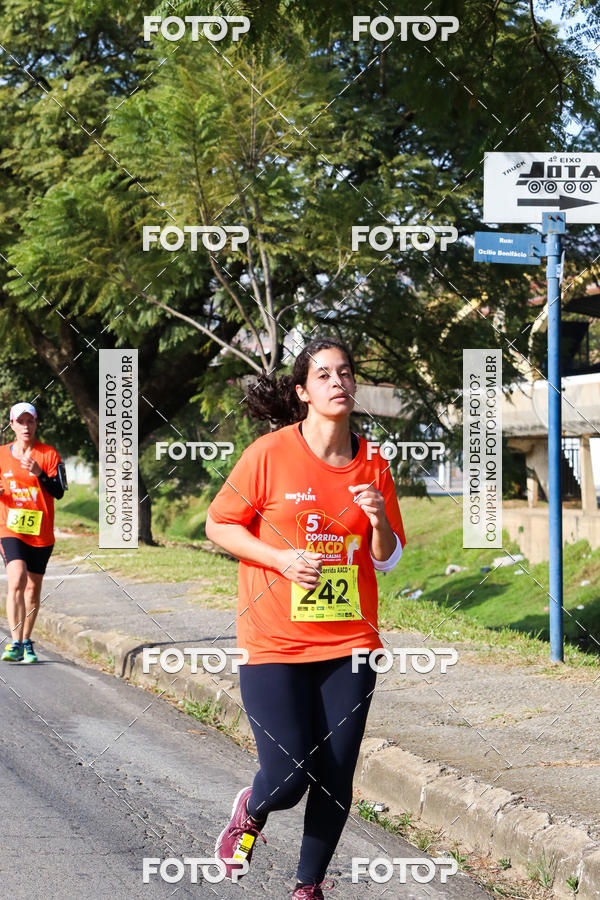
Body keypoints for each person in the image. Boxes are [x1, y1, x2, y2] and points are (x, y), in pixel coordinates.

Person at [206, 338, 406, 899]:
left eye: (346, 372)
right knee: (289, 776)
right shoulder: (269, 454)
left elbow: (387, 558)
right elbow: (219, 525)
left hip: (350, 641)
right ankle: (252, 808)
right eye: (323, 375)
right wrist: (281, 560)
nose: (338, 381)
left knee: (336, 773)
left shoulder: (374, 464)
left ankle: (307, 887)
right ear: (302, 392)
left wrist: (378, 521)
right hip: (274, 640)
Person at [0, 402, 67, 663]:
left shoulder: (48, 454)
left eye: (30, 421)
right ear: (12, 425)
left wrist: (39, 473)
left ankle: (27, 640)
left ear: (36, 423)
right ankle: (15, 642)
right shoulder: (1, 455)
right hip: (10, 527)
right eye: (20, 421)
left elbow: (58, 491)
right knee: (16, 578)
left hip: (40, 531)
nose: (26, 426)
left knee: (32, 588)